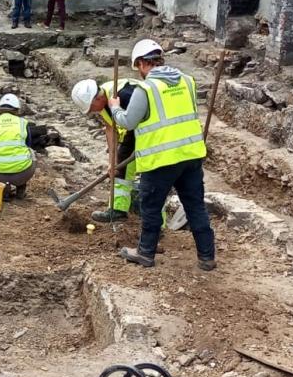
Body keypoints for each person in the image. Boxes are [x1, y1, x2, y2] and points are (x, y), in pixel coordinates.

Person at [109, 39, 215, 271]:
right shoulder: (188, 82)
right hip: (191, 156)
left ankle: (146, 253)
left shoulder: (145, 89)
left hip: (160, 161)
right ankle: (207, 257)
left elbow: (127, 122)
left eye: (137, 66)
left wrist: (115, 106)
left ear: (142, 64)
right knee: (195, 206)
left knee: (151, 207)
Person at [72, 76, 142, 223]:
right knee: (120, 165)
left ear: (97, 99)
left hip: (147, 130)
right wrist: (112, 161)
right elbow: (110, 129)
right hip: (132, 131)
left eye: (91, 108)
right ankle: (118, 210)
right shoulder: (103, 100)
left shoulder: (124, 95)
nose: (92, 112)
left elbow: (143, 117)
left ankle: (151, 220)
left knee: (149, 173)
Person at [0, 93, 36, 200]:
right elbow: (28, 144)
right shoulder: (22, 123)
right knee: (31, 153)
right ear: (17, 109)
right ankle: (21, 187)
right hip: (21, 173)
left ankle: (3, 189)